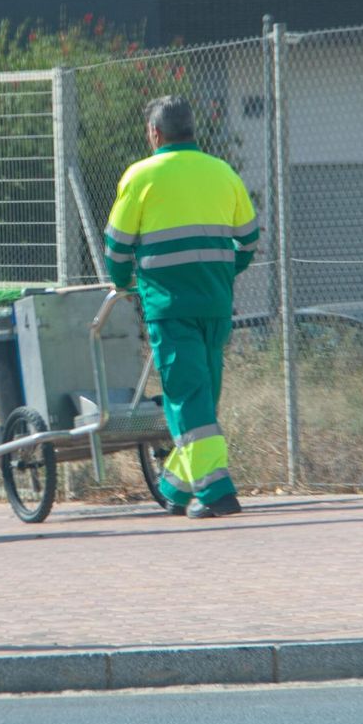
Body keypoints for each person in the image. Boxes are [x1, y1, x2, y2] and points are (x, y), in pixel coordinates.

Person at [103, 95, 260, 519]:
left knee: (187, 395)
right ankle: (175, 487)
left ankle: (216, 492)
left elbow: (116, 248)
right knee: (203, 395)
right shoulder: (221, 172)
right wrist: (224, 271)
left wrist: (122, 283)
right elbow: (248, 240)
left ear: (155, 133)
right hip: (214, 302)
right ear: (193, 130)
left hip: (169, 305)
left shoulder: (141, 176)